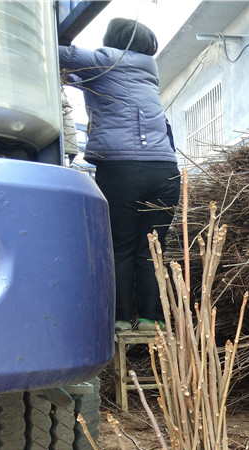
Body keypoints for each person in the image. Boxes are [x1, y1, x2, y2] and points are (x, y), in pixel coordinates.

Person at [59, 18, 180, 332]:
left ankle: (123, 318)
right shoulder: (146, 71)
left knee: (121, 246)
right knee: (152, 247)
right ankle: (153, 319)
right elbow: (86, 78)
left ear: (114, 40)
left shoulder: (107, 59)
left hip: (123, 169)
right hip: (165, 172)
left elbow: (56, 54)